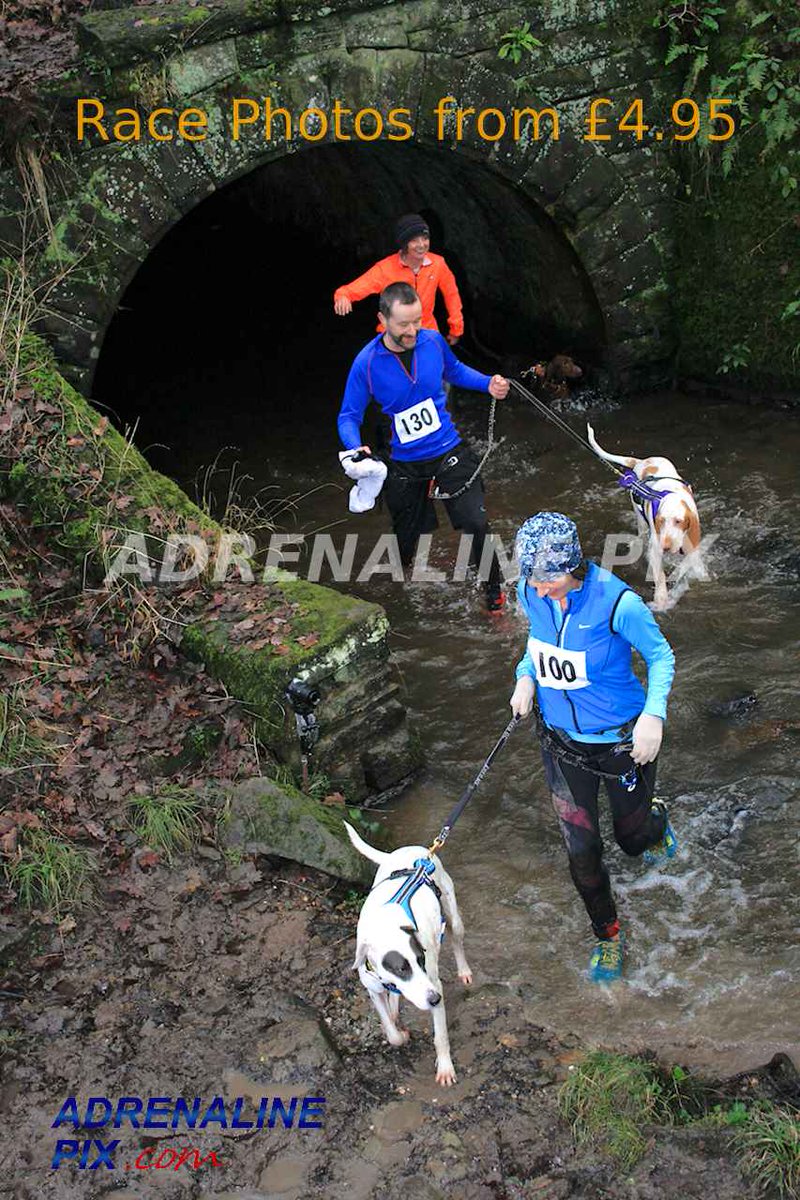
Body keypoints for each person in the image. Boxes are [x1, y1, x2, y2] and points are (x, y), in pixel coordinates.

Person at [508, 512, 678, 983]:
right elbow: (536, 644)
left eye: (549, 580)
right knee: (581, 851)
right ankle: (608, 935)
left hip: (623, 742)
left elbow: (661, 656)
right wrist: (525, 678)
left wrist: (654, 715)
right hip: (562, 746)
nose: (538, 591)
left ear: (573, 567)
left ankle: (654, 817)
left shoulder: (618, 604)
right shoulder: (532, 590)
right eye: (533, 580)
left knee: (633, 840)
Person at [337, 281, 509, 611]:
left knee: (476, 521)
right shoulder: (367, 363)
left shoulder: (432, 340)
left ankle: (494, 598)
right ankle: (405, 578)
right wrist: (355, 446)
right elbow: (348, 415)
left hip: (447, 449)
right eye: (404, 324)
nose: (412, 330)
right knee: (405, 539)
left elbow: (455, 371)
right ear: (383, 319)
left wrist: (488, 383)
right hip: (402, 462)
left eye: (417, 320)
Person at [333, 214, 463, 345]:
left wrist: (456, 328)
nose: (422, 245)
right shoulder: (385, 269)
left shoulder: (438, 264)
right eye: (414, 241)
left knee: (434, 362)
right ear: (404, 243)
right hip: (393, 337)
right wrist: (342, 296)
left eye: (425, 239)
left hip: (427, 334)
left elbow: (451, 295)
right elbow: (350, 290)